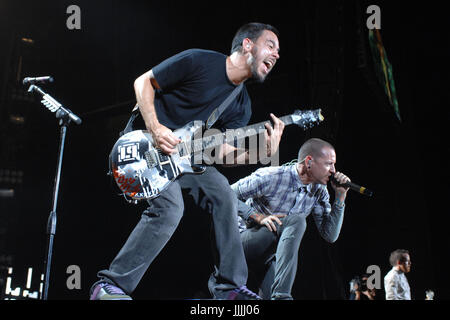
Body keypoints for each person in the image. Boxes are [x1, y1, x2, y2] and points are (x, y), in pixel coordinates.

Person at [89, 22, 284, 300]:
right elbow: (143, 82)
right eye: (271, 46)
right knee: (170, 208)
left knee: (223, 193)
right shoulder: (199, 61)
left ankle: (230, 289)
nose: (276, 55)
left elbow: (222, 153)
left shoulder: (241, 104)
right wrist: (156, 128)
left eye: (278, 51)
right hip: (144, 148)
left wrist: (262, 153)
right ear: (248, 45)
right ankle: (110, 286)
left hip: (183, 160)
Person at [231, 138, 350, 300]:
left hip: (267, 258)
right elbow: (226, 194)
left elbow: (330, 235)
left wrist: (340, 197)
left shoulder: (319, 191)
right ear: (309, 161)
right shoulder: (272, 176)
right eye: (329, 164)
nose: (333, 171)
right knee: (297, 220)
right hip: (241, 245)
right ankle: (282, 296)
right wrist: (256, 215)